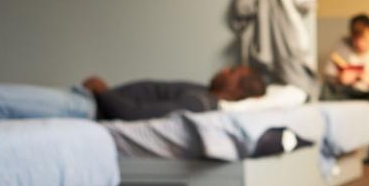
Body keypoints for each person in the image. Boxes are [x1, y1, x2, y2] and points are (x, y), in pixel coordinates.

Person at [321, 13, 369, 169]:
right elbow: (328, 72)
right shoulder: (342, 44)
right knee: (324, 91)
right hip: (348, 91)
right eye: (356, 38)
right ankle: (326, 147)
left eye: (364, 38)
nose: (360, 43)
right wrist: (339, 78)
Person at [81, 65, 266, 121]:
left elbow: (134, 114)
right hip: (89, 101)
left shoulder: (198, 102)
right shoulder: (203, 92)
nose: (224, 69)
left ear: (237, 88)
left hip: (90, 107)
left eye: (231, 72)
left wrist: (102, 89)